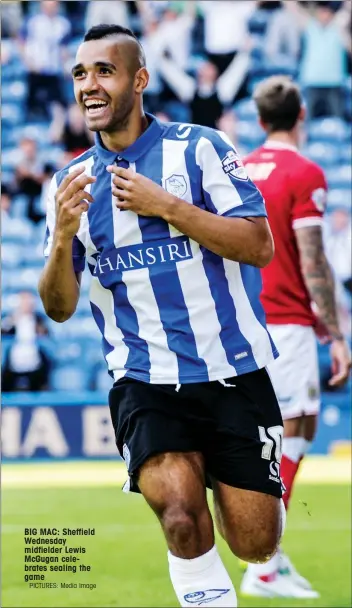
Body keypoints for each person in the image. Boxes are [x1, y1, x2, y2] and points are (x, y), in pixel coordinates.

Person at [39, 24, 285, 607]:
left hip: (233, 371)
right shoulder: (69, 184)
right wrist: (62, 239)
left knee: (255, 544)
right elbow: (58, 307)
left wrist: (165, 205)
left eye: (104, 70)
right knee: (179, 516)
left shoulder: (199, 148)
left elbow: (258, 245)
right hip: (144, 380)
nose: (89, 85)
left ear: (140, 80)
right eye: (80, 73)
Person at [241, 75, 351, 598]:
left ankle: (267, 553)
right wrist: (336, 333)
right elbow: (311, 259)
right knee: (298, 429)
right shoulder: (304, 172)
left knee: (276, 434)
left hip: (242, 320)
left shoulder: (238, 168)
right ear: (301, 115)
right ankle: (262, 559)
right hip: (286, 321)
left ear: (260, 120)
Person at [2, 291, 51, 392]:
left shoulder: (39, 318)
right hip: (14, 362)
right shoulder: (10, 318)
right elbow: (3, 331)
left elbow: (46, 334)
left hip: (35, 362)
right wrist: (12, 320)